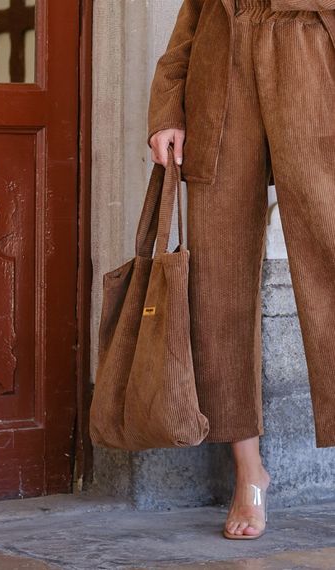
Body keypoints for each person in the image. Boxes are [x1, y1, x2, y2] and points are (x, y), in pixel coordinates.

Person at [147, 0, 335, 540]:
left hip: (310, 54)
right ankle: (249, 473)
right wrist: (168, 105)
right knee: (217, 279)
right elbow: (193, 16)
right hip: (221, 64)